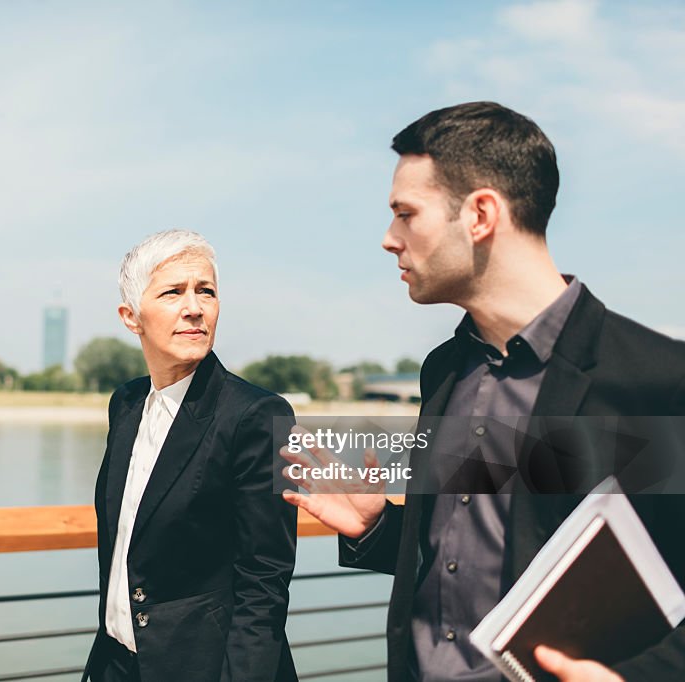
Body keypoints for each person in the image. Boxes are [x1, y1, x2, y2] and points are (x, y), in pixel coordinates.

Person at [282, 102, 685, 681]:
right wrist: (377, 529)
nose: (389, 239)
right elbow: (477, 553)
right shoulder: (443, 370)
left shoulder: (655, 380)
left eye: (405, 214)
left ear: (480, 215)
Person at [84, 230, 298, 681]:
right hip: (117, 665)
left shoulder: (261, 415)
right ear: (131, 316)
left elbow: (265, 582)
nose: (195, 307)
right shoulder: (124, 404)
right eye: (172, 292)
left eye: (206, 291)